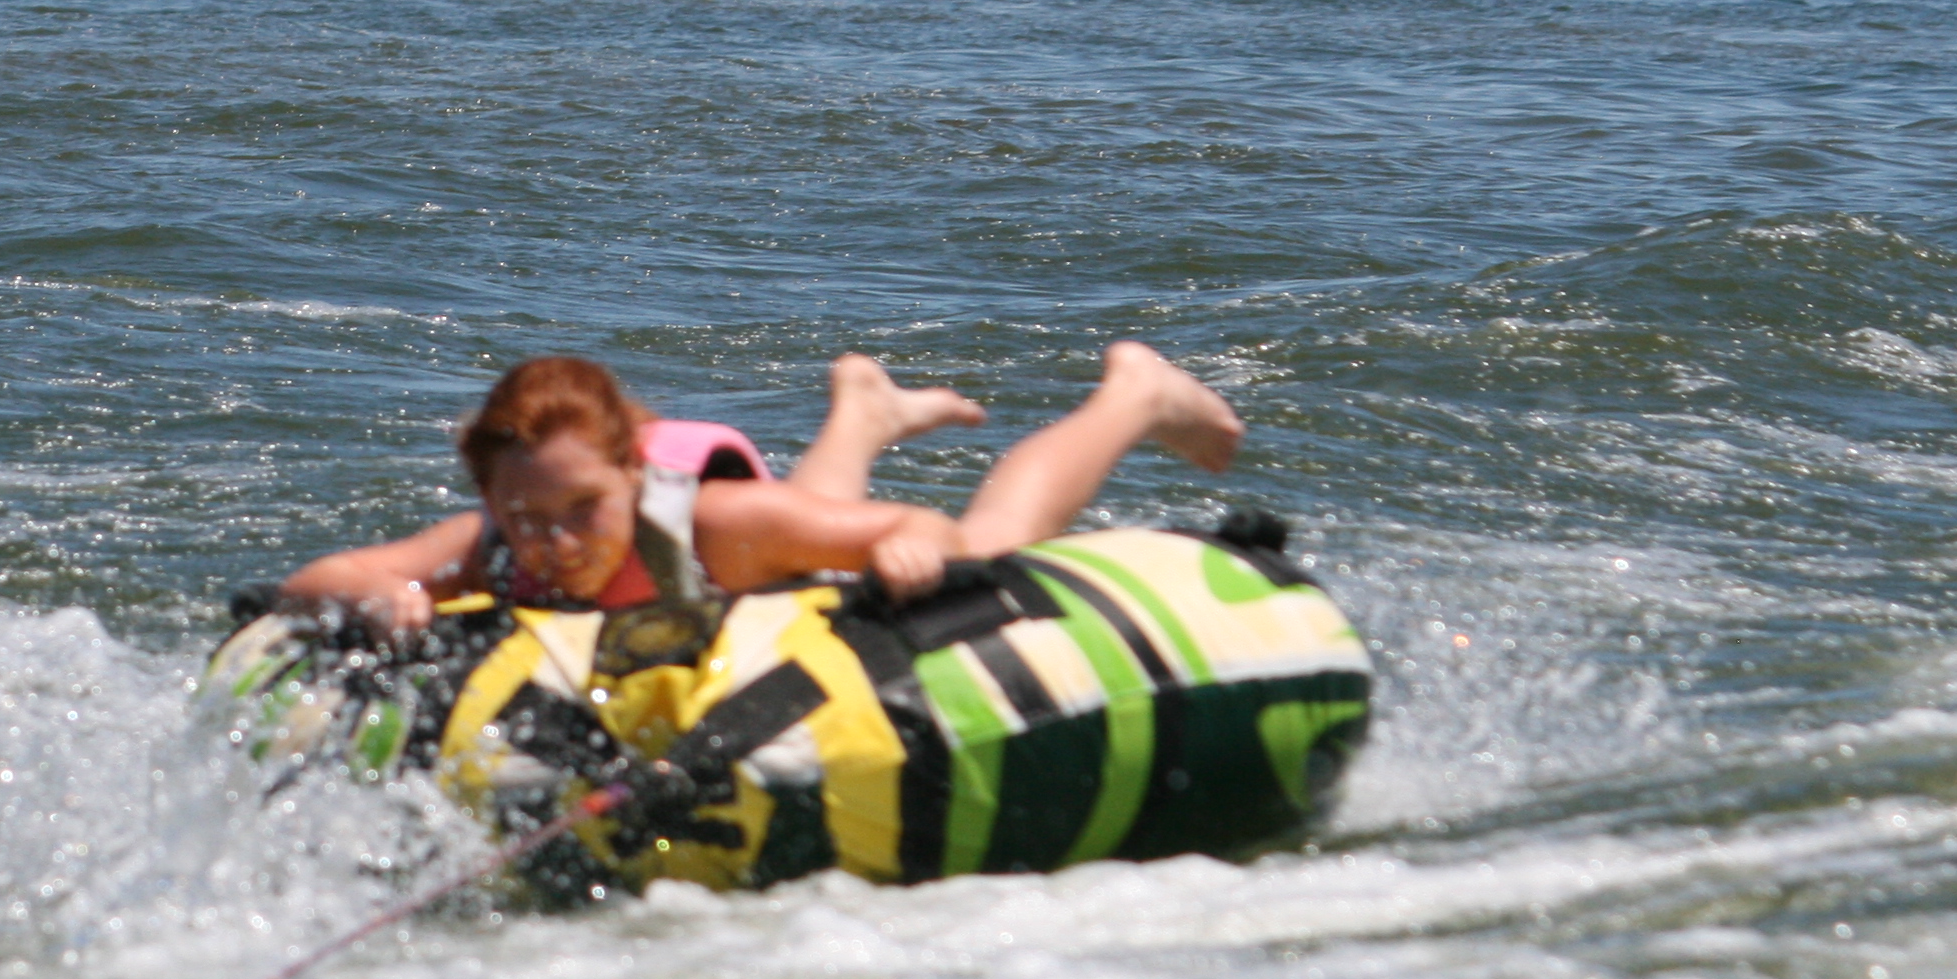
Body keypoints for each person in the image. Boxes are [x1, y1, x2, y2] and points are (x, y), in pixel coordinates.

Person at [275, 344, 1243, 633]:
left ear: (635, 477)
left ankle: (1134, 394)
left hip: (771, 558)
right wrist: (382, 597)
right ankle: (861, 410)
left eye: (582, 512)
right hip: (768, 559)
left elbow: (918, 525)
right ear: (492, 499)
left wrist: (915, 548)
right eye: (525, 516)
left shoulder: (713, 525)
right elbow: (320, 578)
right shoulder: (496, 544)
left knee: (995, 538)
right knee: (801, 532)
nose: (555, 543)